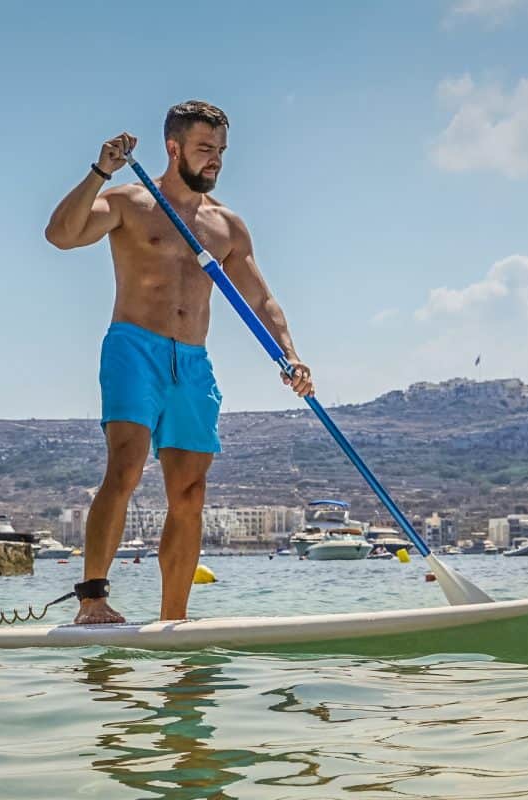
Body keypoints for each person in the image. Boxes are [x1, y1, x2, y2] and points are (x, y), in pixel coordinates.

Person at [45, 101, 313, 624]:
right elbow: (61, 235)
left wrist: (291, 354)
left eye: (221, 151)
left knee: (190, 492)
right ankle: (93, 600)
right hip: (134, 349)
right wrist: (100, 172)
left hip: (192, 363)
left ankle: (174, 620)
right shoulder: (129, 201)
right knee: (125, 466)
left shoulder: (226, 226)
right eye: (205, 149)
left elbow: (261, 299)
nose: (215, 160)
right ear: (173, 148)